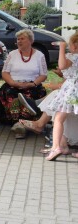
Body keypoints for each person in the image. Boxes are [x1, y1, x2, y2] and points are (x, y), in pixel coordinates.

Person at [0, 29, 47, 136]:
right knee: (12, 94)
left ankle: (20, 125)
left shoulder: (39, 55)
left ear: (30, 41)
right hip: (13, 85)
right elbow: (5, 73)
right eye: (18, 39)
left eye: (22, 39)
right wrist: (13, 83)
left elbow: (43, 74)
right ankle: (21, 125)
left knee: (32, 95)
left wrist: (33, 84)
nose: (19, 41)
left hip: (33, 85)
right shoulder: (12, 54)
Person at [44, 33, 78, 161]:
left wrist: (62, 49)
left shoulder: (73, 56)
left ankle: (56, 147)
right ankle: (63, 146)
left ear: (74, 45)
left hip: (71, 89)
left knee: (58, 118)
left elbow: (63, 66)